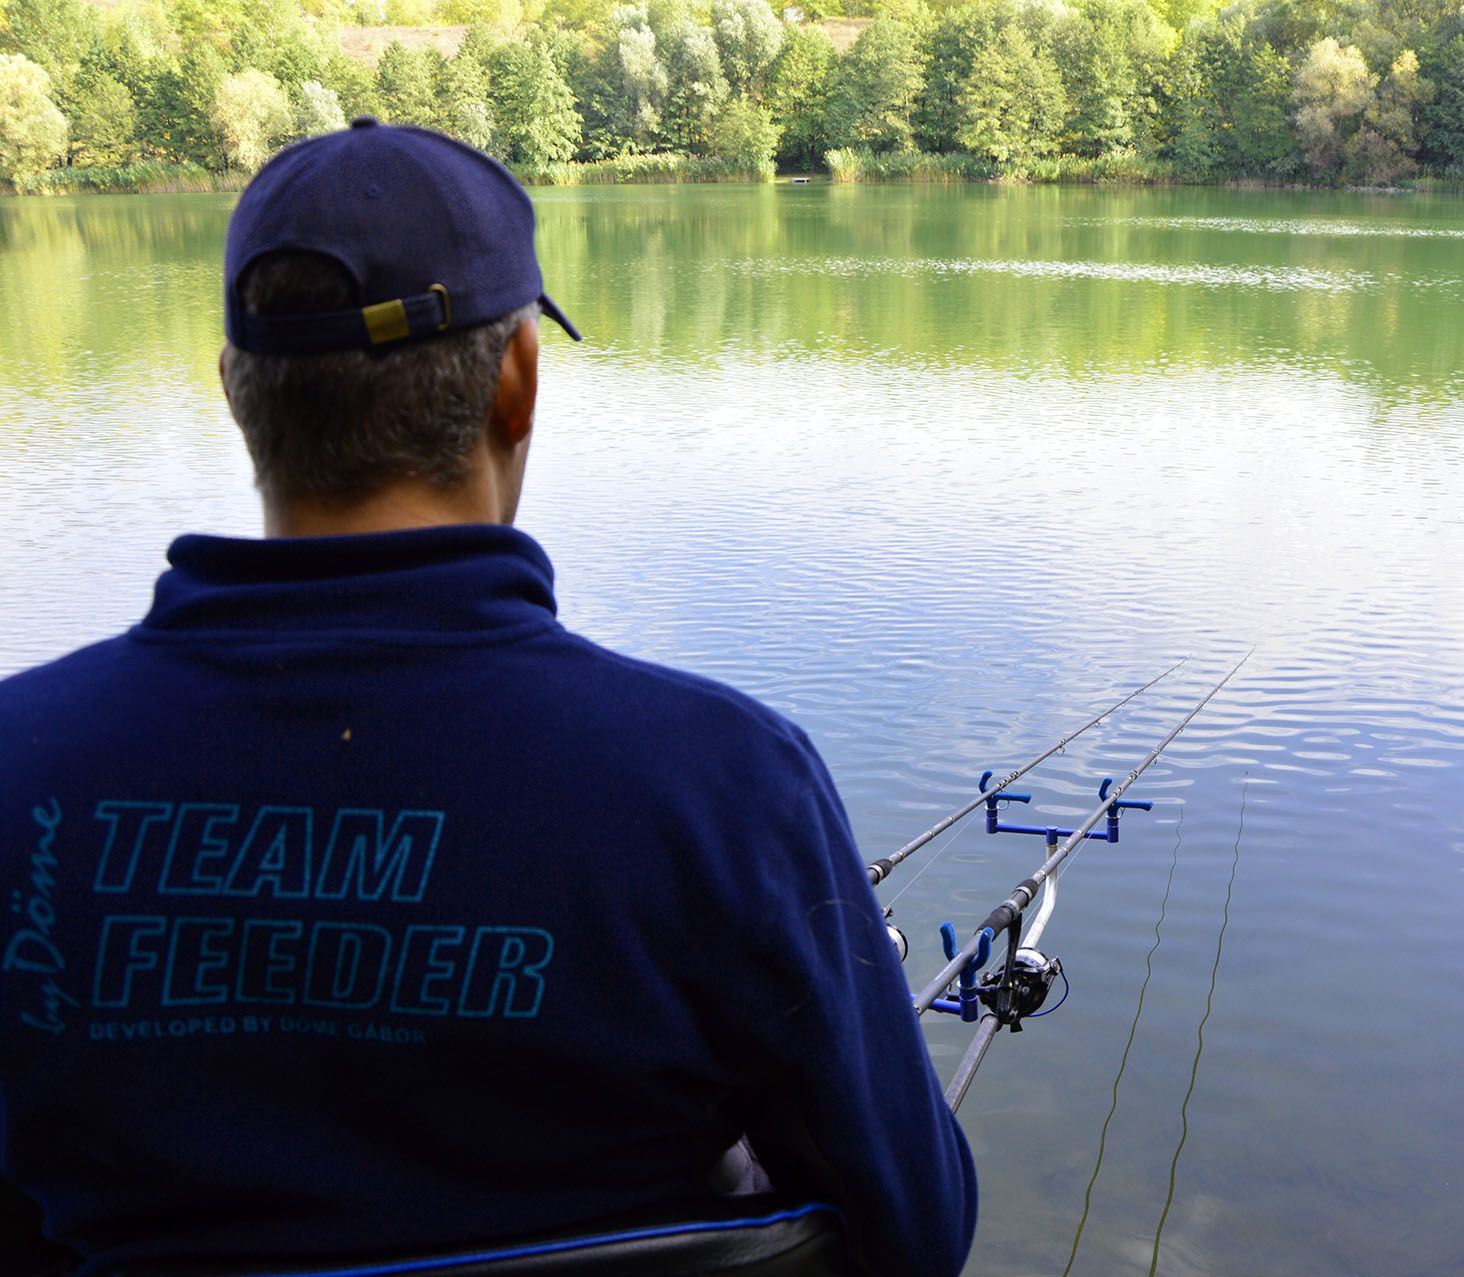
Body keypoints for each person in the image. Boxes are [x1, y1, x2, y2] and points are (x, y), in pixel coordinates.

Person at [0, 118, 976, 1277]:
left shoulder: (21, 762)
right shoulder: (722, 783)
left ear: (235, 391)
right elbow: (912, 1233)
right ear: (519, 378)